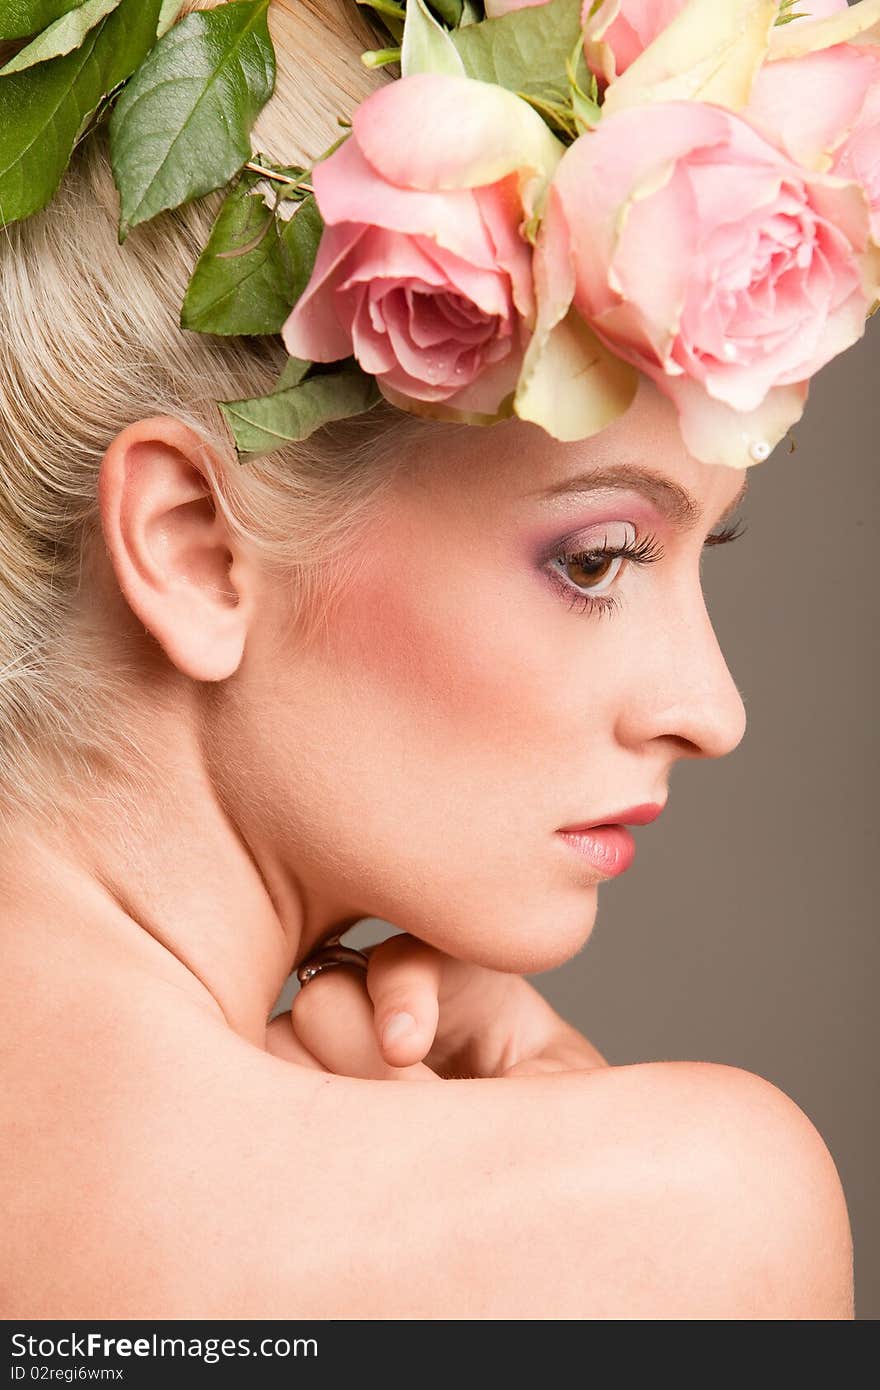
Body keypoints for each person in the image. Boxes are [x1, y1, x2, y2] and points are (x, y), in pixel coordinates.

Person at [0, 0, 859, 1319]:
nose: (715, 709)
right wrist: (616, 1220)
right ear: (189, 546)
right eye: (598, 558)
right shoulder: (689, 1218)